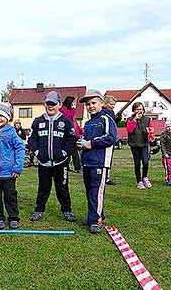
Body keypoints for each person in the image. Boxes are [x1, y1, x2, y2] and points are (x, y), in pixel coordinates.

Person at [28, 91, 77, 222]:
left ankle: (67, 210)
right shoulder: (38, 121)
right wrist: (38, 152)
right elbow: (32, 140)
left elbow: (72, 139)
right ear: (44, 104)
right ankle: (39, 210)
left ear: (59, 105)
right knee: (43, 188)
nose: (50, 106)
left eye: (53, 104)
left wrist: (64, 152)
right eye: (48, 103)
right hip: (44, 163)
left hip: (60, 163)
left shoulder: (65, 121)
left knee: (62, 188)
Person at [77, 90, 117, 234]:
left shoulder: (106, 119)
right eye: (88, 104)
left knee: (96, 190)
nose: (91, 106)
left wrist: (91, 144)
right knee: (89, 191)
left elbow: (111, 138)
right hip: (87, 162)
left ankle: (95, 221)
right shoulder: (88, 123)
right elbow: (86, 142)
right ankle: (97, 215)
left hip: (100, 162)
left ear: (101, 102)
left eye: (93, 103)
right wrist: (81, 144)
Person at [126, 102, 152, 189]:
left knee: (145, 162)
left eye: (141, 109)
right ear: (134, 110)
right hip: (134, 144)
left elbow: (150, 130)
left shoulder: (147, 119)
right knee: (137, 163)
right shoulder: (130, 119)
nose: (139, 111)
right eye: (137, 109)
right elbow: (130, 130)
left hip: (144, 143)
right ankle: (139, 181)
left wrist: (150, 134)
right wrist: (134, 120)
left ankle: (144, 177)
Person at [60, 96, 83, 173]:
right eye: (73, 102)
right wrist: (74, 109)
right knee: (73, 152)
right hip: (67, 135)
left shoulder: (68, 110)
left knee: (70, 152)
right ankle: (77, 167)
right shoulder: (63, 110)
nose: (74, 104)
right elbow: (69, 118)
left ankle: (67, 166)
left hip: (72, 134)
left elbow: (74, 122)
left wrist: (80, 130)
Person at [102, 95, 120, 185]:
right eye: (111, 104)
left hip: (111, 137)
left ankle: (106, 176)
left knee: (109, 158)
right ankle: (105, 177)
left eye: (114, 104)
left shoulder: (111, 112)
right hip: (106, 137)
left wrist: (118, 119)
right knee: (106, 157)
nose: (112, 106)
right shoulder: (104, 112)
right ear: (105, 103)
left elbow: (112, 123)